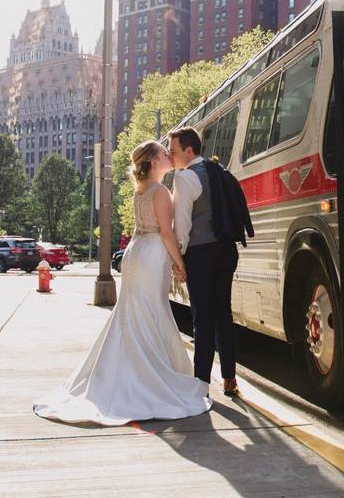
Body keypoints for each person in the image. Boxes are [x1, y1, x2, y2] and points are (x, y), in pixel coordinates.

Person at [33, 141, 211, 425]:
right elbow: (166, 233)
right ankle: (149, 377)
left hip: (135, 253)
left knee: (133, 313)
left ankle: (124, 374)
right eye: (163, 154)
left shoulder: (140, 190)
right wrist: (180, 263)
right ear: (153, 162)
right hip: (152, 254)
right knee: (152, 311)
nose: (169, 155)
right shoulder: (161, 191)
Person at [168, 127, 241, 397]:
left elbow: (183, 225)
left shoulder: (185, 178)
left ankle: (201, 383)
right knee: (223, 312)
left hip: (201, 252)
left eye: (174, 151)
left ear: (189, 150)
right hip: (226, 250)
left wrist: (179, 258)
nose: (171, 156)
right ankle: (230, 378)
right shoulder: (219, 171)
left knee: (203, 317)